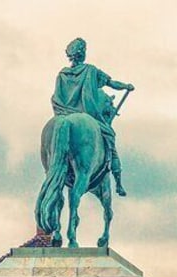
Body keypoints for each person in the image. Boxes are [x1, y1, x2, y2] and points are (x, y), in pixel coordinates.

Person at [51, 37, 134, 196]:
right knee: (110, 137)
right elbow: (111, 83)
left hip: (62, 114)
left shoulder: (62, 74)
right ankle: (118, 183)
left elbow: (57, 97)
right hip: (88, 115)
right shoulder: (91, 71)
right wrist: (126, 86)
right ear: (82, 54)